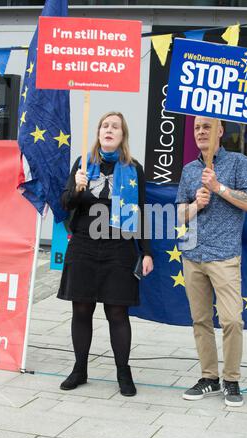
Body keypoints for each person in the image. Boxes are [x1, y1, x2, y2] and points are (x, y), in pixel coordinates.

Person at [57, 111, 153, 396]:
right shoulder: (82, 164)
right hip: (84, 245)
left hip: (119, 248)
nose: (109, 130)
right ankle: (79, 369)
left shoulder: (133, 169)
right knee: (82, 309)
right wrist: (77, 187)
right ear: (98, 132)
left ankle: (123, 372)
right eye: (105, 126)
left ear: (122, 136)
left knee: (117, 311)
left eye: (115, 127)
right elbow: (65, 203)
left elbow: (143, 212)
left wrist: (146, 252)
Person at [176, 116, 247, 407]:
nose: (201, 131)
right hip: (193, 255)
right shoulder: (189, 170)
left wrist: (219, 187)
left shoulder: (238, 163)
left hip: (224, 255)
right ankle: (209, 378)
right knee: (200, 321)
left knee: (232, 320)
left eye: (207, 127)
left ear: (220, 131)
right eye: (197, 128)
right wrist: (195, 205)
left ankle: (231, 380)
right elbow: (179, 215)